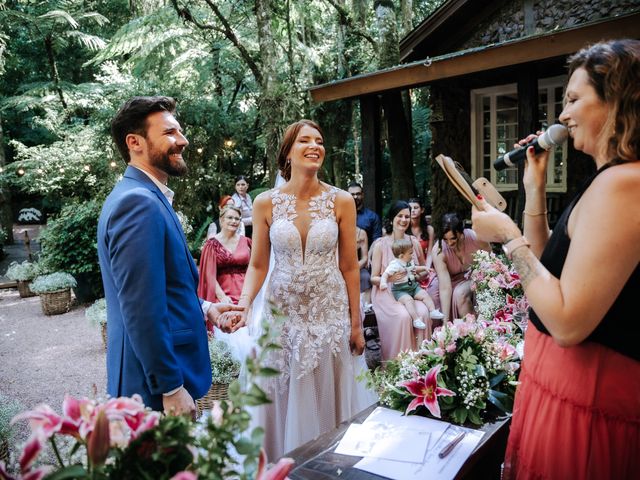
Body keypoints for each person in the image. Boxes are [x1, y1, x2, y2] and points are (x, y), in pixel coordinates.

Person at [471, 40, 640, 479]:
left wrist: (507, 236)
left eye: (572, 99)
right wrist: (534, 188)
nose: (562, 115)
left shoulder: (626, 185)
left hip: (589, 402)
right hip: (559, 388)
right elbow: (547, 267)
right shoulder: (607, 180)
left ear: (617, 99)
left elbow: (567, 321)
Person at [236, 119, 376, 460]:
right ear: (288, 153)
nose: (315, 146)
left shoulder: (340, 201)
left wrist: (356, 323)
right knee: (281, 397)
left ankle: (330, 465)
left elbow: (349, 267)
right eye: (305, 141)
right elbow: (258, 265)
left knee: (328, 396)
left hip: (327, 316)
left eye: (320, 141)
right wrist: (244, 304)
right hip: (281, 319)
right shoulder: (264, 203)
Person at [98, 96, 242, 416]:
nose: (183, 140)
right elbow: (141, 307)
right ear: (134, 142)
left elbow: (158, 285)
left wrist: (206, 307)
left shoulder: (145, 197)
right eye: (170, 133)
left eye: (180, 131)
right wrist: (170, 387)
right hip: (151, 388)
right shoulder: (137, 203)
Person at [370, 201, 433, 360]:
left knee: (424, 312)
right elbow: (373, 278)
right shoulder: (381, 244)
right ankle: (399, 365)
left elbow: (422, 270)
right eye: (400, 216)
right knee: (403, 317)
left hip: (410, 289)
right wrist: (390, 278)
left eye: (407, 216)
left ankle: (421, 363)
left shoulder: (413, 242)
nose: (404, 220)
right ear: (392, 218)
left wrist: (417, 275)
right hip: (386, 291)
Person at [432, 212, 490, 322]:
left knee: (460, 293)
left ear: (461, 232)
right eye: (445, 239)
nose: (449, 243)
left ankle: (474, 330)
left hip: (474, 276)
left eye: (453, 238)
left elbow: (490, 260)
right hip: (447, 280)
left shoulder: (476, 238)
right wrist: (445, 321)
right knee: (434, 297)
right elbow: (445, 286)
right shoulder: (438, 250)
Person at [380, 238, 444, 332]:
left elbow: (415, 268)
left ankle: (432, 311)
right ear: (401, 256)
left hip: (413, 287)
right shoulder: (395, 265)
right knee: (408, 300)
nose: (412, 255)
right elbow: (385, 274)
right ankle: (416, 319)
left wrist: (425, 268)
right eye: (410, 253)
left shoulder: (409, 261)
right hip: (400, 290)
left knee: (424, 294)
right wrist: (383, 283)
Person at [198, 204, 252, 304]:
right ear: (221, 220)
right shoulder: (211, 245)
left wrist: (248, 297)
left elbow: (253, 269)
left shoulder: (247, 242)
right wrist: (222, 297)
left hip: (245, 294)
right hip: (221, 295)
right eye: (230, 217)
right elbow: (209, 275)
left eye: (237, 219)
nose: (234, 221)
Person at [348, 181, 382, 247]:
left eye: (358, 194)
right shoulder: (341, 215)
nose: (355, 197)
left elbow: (377, 242)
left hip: (367, 255)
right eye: (352, 194)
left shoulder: (372, 217)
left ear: (362, 195)